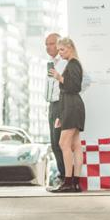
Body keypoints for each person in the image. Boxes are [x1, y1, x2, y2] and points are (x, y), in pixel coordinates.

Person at [49, 37, 85, 193]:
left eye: (62, 49)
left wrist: (59, 77)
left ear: (70, 48)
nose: (60, 53)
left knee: (64, 144)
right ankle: (75, 183)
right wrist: (60, 116)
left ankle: (68, 182)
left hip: (72, 107)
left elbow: (75, 87)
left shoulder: (73, 64)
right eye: (59, 50)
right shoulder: (73, 63)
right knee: (75, 145)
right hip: (70, 107)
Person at [45, 33, 67, 186]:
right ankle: (62, 176)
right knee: (54, 143)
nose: (48, 47)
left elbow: (78, 83)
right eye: (46, 44)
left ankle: (65, 177)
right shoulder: (51, 63)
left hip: (61, 104)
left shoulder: (65, 62)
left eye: (51, 43)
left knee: (60, 142)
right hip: (52, 105)